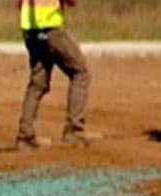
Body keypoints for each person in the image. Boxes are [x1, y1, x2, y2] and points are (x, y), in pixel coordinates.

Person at [16, 0, 102, 151]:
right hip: (51, 27)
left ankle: (25, 136)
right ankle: (74, 129)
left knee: (37, 83)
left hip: (31, 31)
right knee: (80, 73)